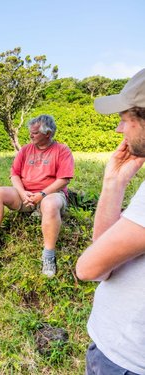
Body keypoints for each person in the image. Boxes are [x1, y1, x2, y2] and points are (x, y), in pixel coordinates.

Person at [76, 68, 145, 374]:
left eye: (125, 118)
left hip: (125, 360)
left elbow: (89, 268)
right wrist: (113, 184)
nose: (120, 129)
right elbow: (106, 252)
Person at [0, 115, 74, 277]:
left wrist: (42, 194)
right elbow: (14, 174)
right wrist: (22, 193)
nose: (30, 135)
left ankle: (48, 256)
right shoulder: (25, 149)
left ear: (47, 134)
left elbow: (64, 179)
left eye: (34, 133)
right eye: (30, 132)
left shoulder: (62, 150)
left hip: (51, 195)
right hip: (25, 194)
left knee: (49, 204)